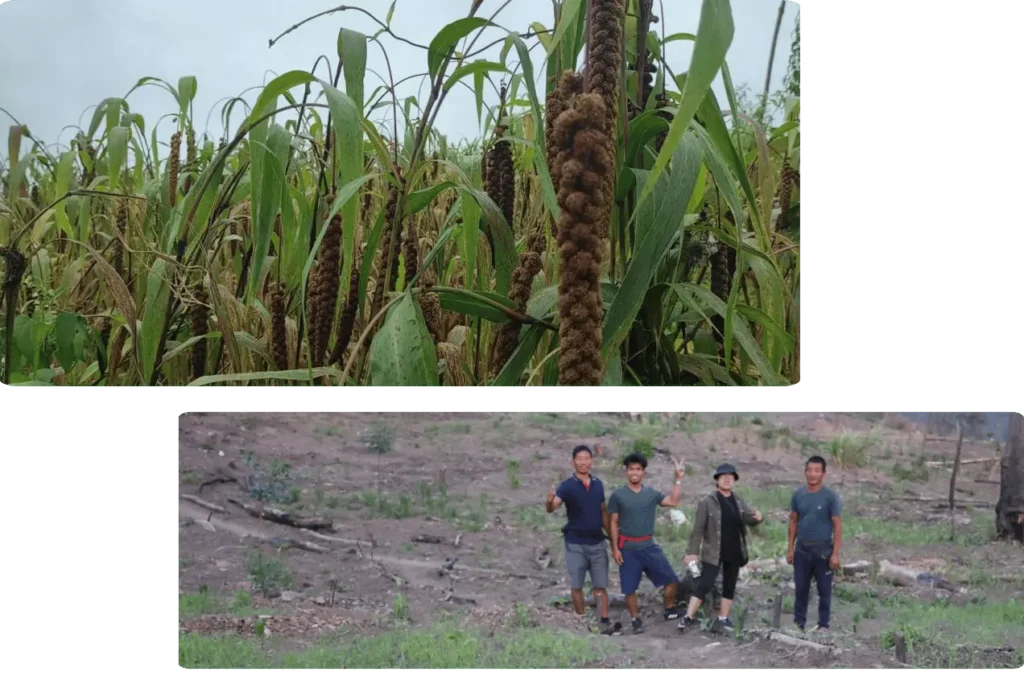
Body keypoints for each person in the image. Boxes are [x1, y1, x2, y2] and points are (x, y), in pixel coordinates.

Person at [678, 463, 763, 635]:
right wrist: (692, 552)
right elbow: (698, 530)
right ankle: (687, 617)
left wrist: (758, 518)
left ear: (734, 481)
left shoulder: (738, 500)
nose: (727, 479)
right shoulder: (707, 502)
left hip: (735, 550)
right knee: (705, 584)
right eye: (723, 476)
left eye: (730, 477)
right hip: (713, 552)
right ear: (717, 480)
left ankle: (723, 619)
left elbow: (748, 518)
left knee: (729, 585)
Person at [607, 452, 685, 635]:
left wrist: (678, 480)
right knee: (629, 588)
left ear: (644, 472)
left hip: (648, 546)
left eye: (638, 469)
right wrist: (615, 549)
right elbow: (613, 523)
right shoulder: (618, 495)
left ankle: (669, 610)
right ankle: (635, 620)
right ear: (626, 472)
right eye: (631, 469)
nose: (635, 472)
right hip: (627, 549)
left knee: (671, 581)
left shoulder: (651, 494)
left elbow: (673, 502)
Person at [546, 445, 616, 634]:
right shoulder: (567, 485)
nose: (584, 462)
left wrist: (612, 538)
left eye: (587, 458)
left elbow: (603, 512)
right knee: (576, 585)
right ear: (573, 461)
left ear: (591, 461)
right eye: (580, 458)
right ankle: (581, 621)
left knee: (600, 585)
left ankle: (603, 622)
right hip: (575, 543)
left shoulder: (598, 484)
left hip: (597, 543)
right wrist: (549, 501)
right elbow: (553, 507)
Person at [787, 455, 843, 637]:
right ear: (805, 472)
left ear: (824, 473)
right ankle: (798, 626)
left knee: (824, 590)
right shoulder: (798, 495)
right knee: (801, 589)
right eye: (809, 470)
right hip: (802, 550)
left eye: (817, 471)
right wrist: (790, 548)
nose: (812, 474)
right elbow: (793, 522)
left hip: (823, 550)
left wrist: (835, 554)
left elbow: (837, 525)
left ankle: (823, 626)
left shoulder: (830, 497)